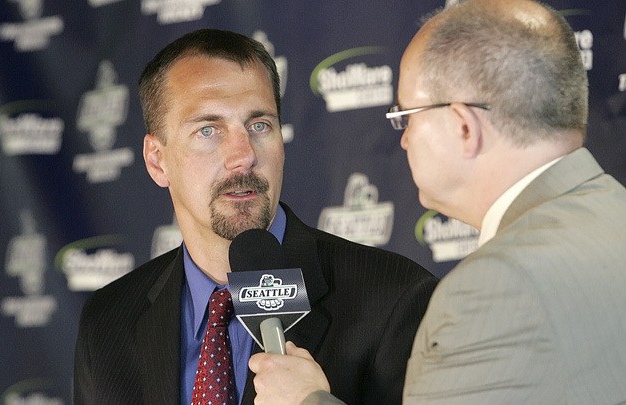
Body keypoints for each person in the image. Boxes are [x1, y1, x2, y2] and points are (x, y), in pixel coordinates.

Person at [248, 0, 626, 403]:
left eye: (408, 116)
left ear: (464, 127)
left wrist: (306, 400)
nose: (404, 139)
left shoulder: (491, 290)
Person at [72, 28, 438, 405]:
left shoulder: (394, 299)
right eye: (208, 130)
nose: (243, 155)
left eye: (259, 125)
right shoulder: (109, 322)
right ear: (157, 160)